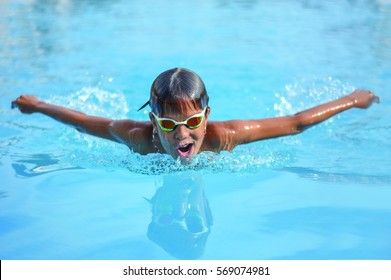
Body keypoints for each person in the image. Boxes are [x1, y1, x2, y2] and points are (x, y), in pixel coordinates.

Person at [11, 67, 380, 162]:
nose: (181, 133)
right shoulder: (139, 138)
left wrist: (351, 99)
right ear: (155, 122)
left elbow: (296, 123)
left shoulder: (225, 136)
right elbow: (80, 119)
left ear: (206, 116)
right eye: (169, 124)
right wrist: (39, 105)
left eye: (191, 122)